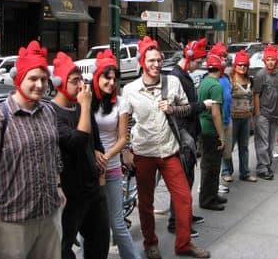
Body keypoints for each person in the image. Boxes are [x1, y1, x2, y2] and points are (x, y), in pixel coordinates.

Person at [0, 41, 65, 259]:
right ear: (19, 79)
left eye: (43, 79)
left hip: (49, 215)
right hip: (11, 222)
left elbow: (54, 154)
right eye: (33, 78)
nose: (39, 84)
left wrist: (58, 187)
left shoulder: (48, 112)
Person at [122, 36, 210, 259]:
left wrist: (172, 109)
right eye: (151, 60)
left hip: (170, 151)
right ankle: (150, 243)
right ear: (142, 61)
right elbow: (126, 121)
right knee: (146, 203)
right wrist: (126, 150)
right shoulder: (131, 89)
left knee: (184, 198)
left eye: (159, 60)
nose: (156, 64)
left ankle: (184, 244)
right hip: (144, 153)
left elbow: (187, 109)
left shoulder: (172, 82)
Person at [50, 51, 110, 259]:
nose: (81, 86)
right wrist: (85, 105)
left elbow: (95, 140)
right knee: (63, 247)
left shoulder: (81, 107)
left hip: (93, 189)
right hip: (69, 195)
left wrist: (100, 173)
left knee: (99, 242)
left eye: (81, 80)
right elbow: (76, 142)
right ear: (59, 83)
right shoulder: (51, 113)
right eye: (75, 81)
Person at [90, 49, 140, 259]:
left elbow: (122, 138)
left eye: (114, 78)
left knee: (117, 223)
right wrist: (93, 153)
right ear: (97, 77)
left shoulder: (120, 103)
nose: (111, 82)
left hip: (111, 168)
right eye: (106, 77)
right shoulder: (85, 100)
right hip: (89, 170)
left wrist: (107, 156)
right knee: (89, 225)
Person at [168, 38, 210, 236]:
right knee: (182, 182)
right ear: (190, 58)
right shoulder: (176, 77)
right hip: (182, 134)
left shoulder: (182, 75)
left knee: (187, 179)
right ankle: (177, 222)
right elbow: (177, 109)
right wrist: (202, 105)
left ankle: (184, 215)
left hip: (188, 133)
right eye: (199, 62)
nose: (200, 66)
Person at [198, 51, 227, 210]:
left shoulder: (204, 81)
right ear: (220, 68)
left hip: (203, 127)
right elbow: (216, 113)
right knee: (212, 166)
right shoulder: (216, 86)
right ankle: (208, 199)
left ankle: (212, 194)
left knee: (209, 165)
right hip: (210, 130)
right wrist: (222, 136)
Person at [222, 50, 256, 182]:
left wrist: (252, 117)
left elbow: (252, 99)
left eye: (245, 65)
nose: (242, 67)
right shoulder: (229, 80)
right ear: (235, 66)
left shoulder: (250, 80)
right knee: (229, 147)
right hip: (232, 119)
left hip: (246, 118)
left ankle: (245, 173)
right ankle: (226, 171)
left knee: (244, 147)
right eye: (240, 65)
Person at [253, 45, 278, 180]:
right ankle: (262, 167)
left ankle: (268, 163)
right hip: (263, 114)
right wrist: (258, 113)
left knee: (271, 142)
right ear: (265, 61)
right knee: (262, 142)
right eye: (268, 60)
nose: (270, 62)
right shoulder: (260, 75)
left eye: (273, 60)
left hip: (275, 114)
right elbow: (256, 95)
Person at [209, 42, 232, 194]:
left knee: (225, 154)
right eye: (222, 56)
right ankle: (210, 185)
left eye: (225, 56)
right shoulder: (212, 79)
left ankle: (216, 182)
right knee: (213, 158)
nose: (225, 59)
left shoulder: (226, 77)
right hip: (216, 123)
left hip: (226, 120)